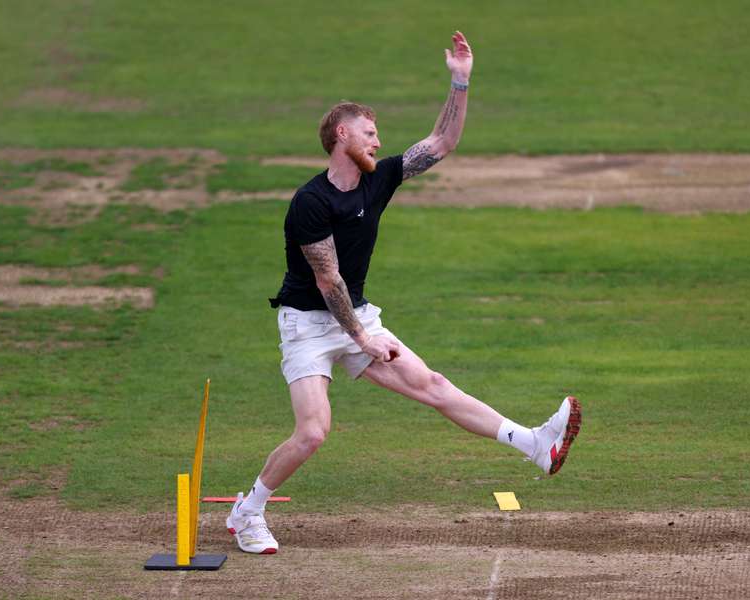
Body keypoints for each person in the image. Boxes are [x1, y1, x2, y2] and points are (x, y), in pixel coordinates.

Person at [227, 31, 581, 555]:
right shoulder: (310, 202)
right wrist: (363, 340)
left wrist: (460, 81)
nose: (377, 140)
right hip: (307, 323)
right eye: (369, 133)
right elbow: (329, 281)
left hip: (356, 316)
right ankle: (247, 511)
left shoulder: (380, 178)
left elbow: (442, 144)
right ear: (341, 134)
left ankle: (534, 444)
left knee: (433, 384)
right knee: (313, 432)